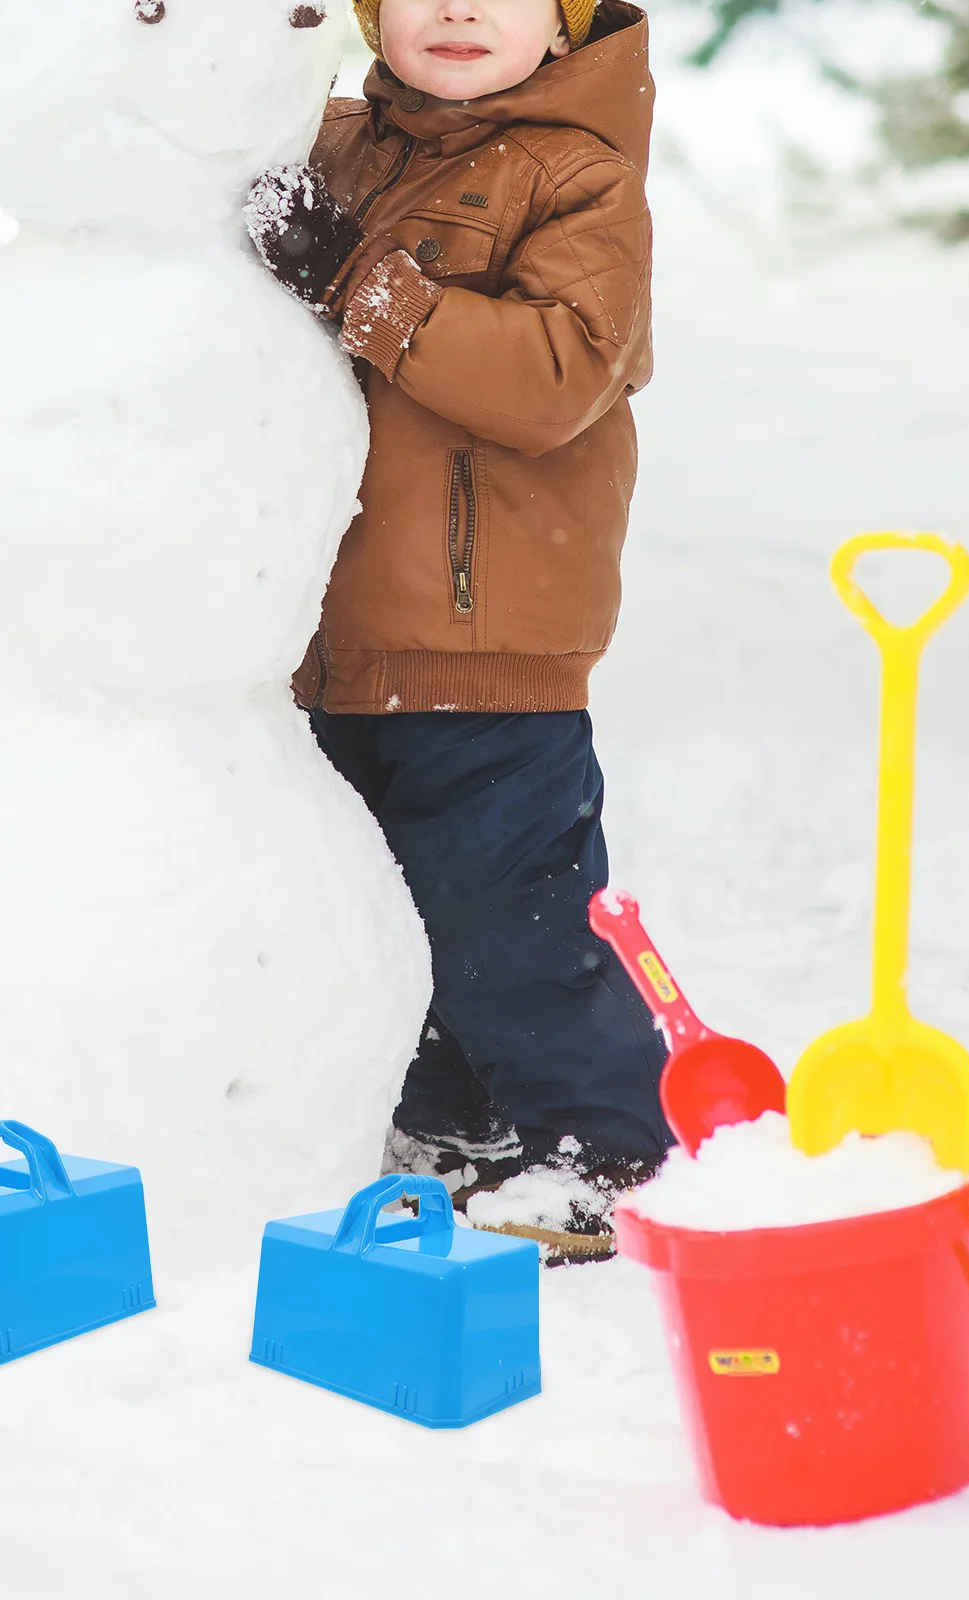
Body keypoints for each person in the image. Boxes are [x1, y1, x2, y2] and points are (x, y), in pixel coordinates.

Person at [248, 0, 667, 1262]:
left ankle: (607, 1146)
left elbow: (552, 380)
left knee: (509, 921)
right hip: (332, 634)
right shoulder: (329, 145)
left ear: (566, 20)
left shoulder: (579, 179)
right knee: (378, 906)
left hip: (490, 644)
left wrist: (362, 286)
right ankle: (453, 1125)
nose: (458, 8)